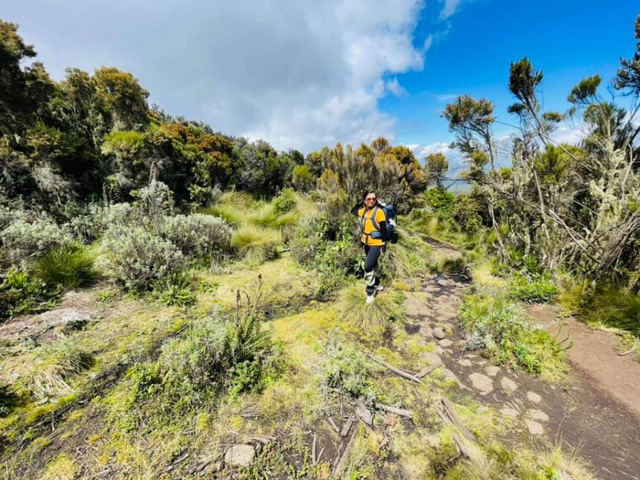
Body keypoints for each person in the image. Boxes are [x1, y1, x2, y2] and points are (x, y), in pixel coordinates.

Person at [351, 191, 388, 304]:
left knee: (368, 266)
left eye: (374, 199)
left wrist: (383, 245)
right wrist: (361, 202)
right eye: (368, 199)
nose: (371, 201)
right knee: (374, 264)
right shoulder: (365, 211)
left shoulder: (379, 212)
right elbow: (353, 211)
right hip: (366, 243)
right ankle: (376, 284)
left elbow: (383, 230)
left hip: (376, 243)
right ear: (365, 200)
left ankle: (370, 292)